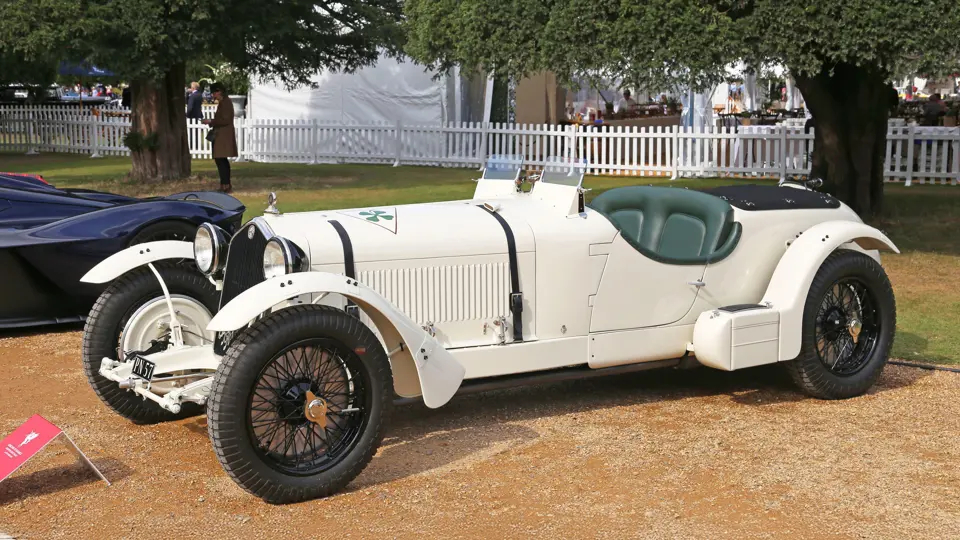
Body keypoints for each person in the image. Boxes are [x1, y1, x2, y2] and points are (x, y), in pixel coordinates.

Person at [203, 83, 237, 193]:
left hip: (223, 134)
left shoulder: (226, 102)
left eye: (214, 93)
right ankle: (224, 184)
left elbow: (226, 120)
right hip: (221, 133)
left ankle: (226, 185)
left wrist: (211, 121)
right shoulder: (223, 102)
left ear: (219, 91)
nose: (213, 95)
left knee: (221, 160)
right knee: (221, 160)